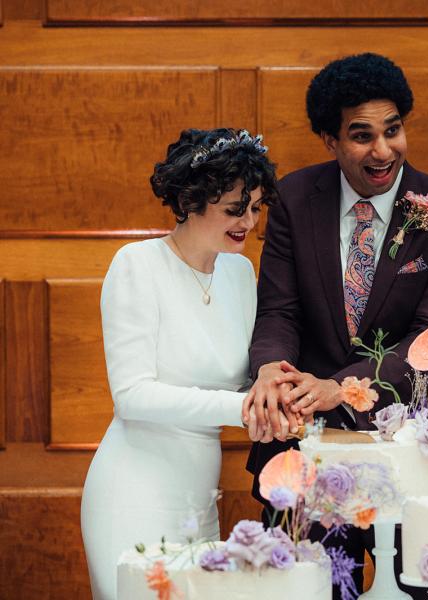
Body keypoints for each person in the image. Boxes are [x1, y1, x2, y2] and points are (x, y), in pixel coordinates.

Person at [244, 53, 428, 599]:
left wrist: (338, 389)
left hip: (410, 448)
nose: (382, 151)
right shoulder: (295, 200)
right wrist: (272, 375)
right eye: (361, 135)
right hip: (310, 451)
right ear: (329, 140)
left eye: (393, 131)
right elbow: (278, 310)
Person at [80, 128, 287, 600]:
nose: (248, 222)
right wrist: (240, 409)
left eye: (255, 207)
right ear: (191, 200)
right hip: (133, 491)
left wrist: (270, 402)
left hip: (200, 497)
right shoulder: (137, 264)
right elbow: (132, 396)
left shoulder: (239, 272)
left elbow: (235, 380)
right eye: (235, 209)